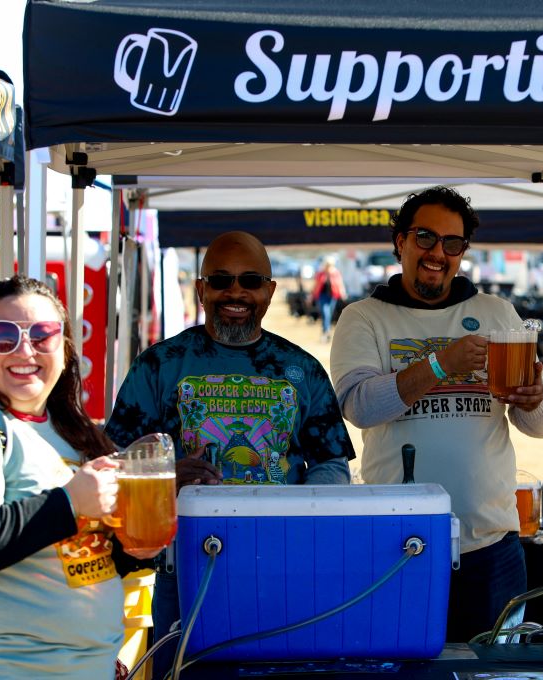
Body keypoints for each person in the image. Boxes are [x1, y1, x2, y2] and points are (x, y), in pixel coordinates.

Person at [105, 231, 355, 675]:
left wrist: (299, 519)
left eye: (250, 280)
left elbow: (331, 465)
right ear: (201, 289)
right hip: (182, 568)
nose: (235, 292)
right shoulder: (160, 365)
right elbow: (112, 462)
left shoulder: (302, 370)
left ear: (270, 291)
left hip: (280, 565)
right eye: (220, 280)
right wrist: (164, 473)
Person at [329, 186, 543, 642]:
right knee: (400, 665)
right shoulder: (364, 317)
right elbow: (358, 406)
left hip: (491, 545)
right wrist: (440, 363)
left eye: (452, 243)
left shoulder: (495, 312)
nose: (438, 253)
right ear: (400, 242)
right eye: (425, 238)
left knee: (491, 673)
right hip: (397, 540)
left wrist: (535, 398)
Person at [0, 276, 156, 679]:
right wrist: (71, 503)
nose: (24, 349)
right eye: (3, 335)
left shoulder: (74, 432)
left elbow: (82, 558)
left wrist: (133, 546)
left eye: (43, 335)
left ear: (65, 346)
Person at [310, 255, 347, 342]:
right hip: (322, 296)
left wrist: (343, 293)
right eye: (327, 265)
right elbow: (315, 285)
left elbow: (340, 284)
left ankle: (325, 332)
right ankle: (326, 332)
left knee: (328, 315)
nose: (329, 266)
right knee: (325, 313)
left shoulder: (335, 273)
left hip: (332, 296)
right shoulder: (321, 273)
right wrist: (311, 295)